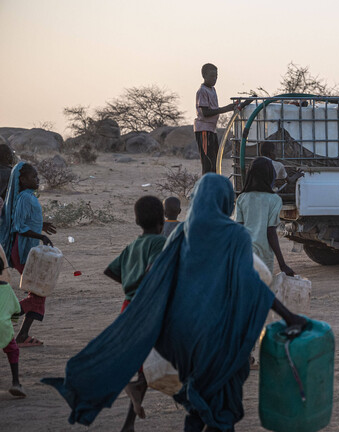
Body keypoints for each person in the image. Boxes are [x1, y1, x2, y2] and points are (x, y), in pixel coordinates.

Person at [43, 174, 307, 432]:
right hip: (220, 335)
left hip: (184, 338)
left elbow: (155, 273)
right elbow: (250, 282)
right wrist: (289, 317)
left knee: (199, 400)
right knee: (222, 404)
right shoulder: (235, 236)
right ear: (227, 202)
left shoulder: (182, 232)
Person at [104, 195, 167, 431]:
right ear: (162, 221)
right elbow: (154, 269)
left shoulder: (133, 245)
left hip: (129, 306)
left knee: (146, 365)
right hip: (147, 308)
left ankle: (129, 423)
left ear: (137, 220)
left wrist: (130, 284)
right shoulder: (159, 242)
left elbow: (111, 270)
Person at [0, 162, 57, 347]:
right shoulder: (24, 198)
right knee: (39, 291)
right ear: (22, 180)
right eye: (33, 177)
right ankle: (8, 317)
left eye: (37, 176)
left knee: (39, 291)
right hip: (23, 251)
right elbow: (19, 226)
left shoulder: (29, 196)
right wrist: (41, 236)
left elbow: (26, 221)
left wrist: (41, 225)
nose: (37, 180)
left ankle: (23, 335)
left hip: (28, 250)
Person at [235, 157, 295, 276]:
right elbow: (271, 232)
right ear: (270, 176)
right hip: (263, 257)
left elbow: (238, 230)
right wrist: (282, 264)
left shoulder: (241, 198)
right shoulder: (274, 200)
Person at [194, 63, 252, 174]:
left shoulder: (212, 90)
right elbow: (205, 112)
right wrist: (225, 109)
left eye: (216, 76)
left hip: (212, 129)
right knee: (208, 162)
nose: (214, 79)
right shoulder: (202, 91)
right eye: (212, 76)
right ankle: (207, 183)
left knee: (215, 161)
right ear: (204, 76)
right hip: (204, 129)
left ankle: (214, 182)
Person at [0, 247, 25, 398]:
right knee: (12, 350)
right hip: (3, 326)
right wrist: (13, 320)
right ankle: (16, 382)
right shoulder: (6, 288)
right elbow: (16, 309)